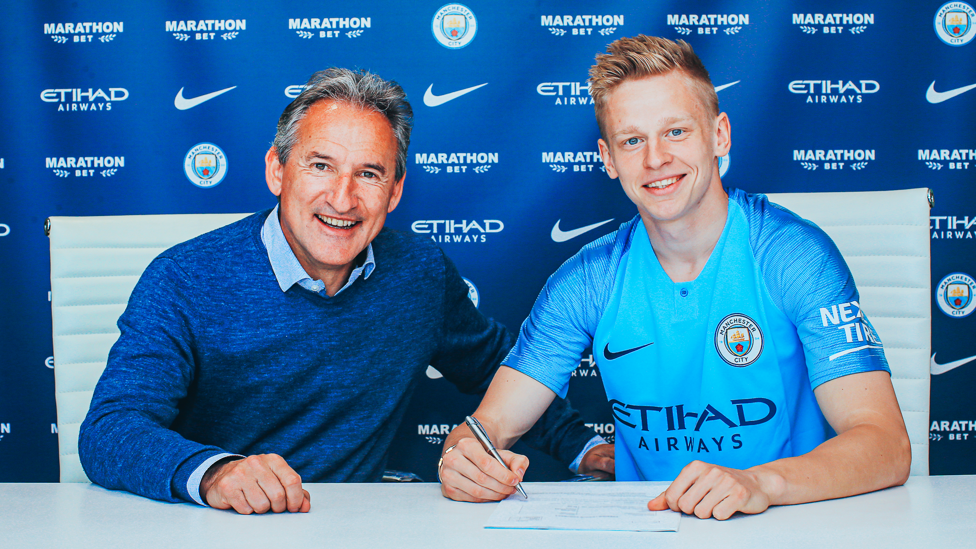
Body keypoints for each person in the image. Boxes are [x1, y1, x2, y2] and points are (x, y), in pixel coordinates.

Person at [79, 68, 612, 515]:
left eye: (370, 174)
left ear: (395, 191)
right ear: (276, 170)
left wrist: (583, 447)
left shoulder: (419, 274)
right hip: (218, 530)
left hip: (356, 531)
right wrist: (217, 473)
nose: (342, 197)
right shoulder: (183, 278)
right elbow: (109, 428)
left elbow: (502, 369)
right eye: (320, 165)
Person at [439, 36, 911, 519]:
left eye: (677, 132)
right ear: (608, 158)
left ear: (720, 135)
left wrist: (758, 483)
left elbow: (885, 444)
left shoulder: (791, 255)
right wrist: (462, 457)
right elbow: (488, 426)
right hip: (652, 528)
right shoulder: (587, 280)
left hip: (786, 525)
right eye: (632, 140)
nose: (655, 159)